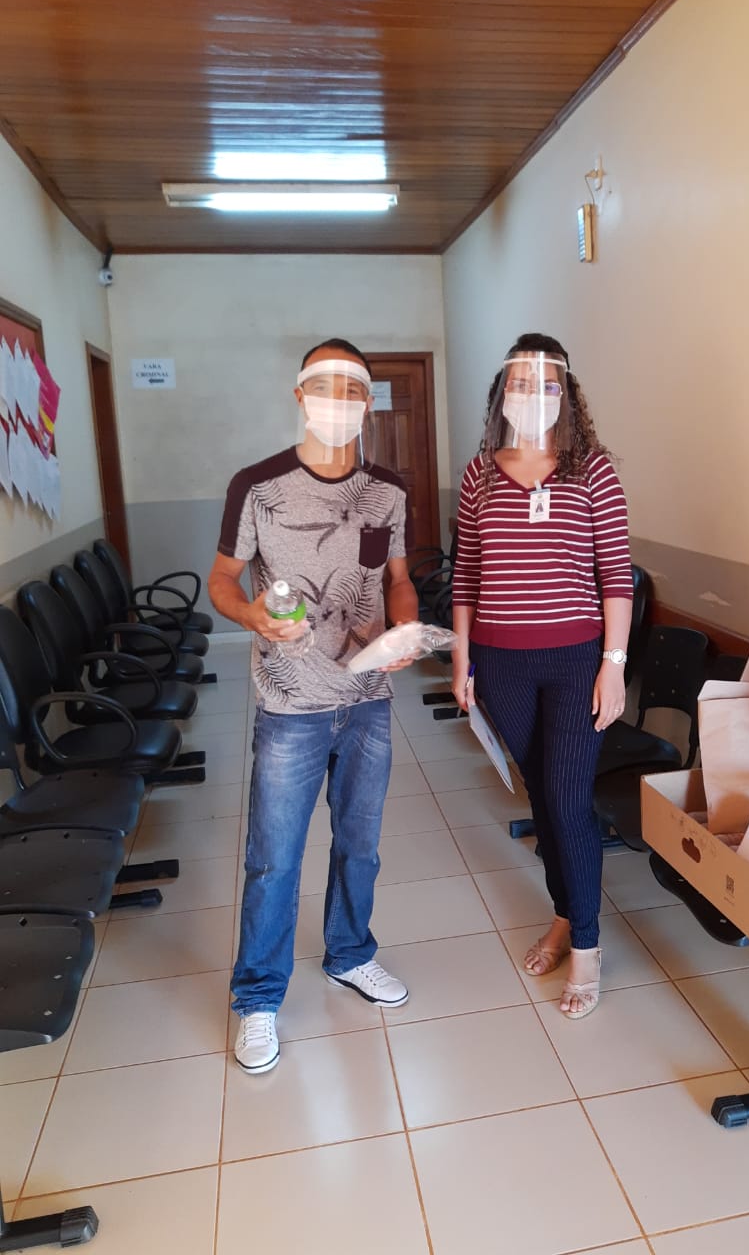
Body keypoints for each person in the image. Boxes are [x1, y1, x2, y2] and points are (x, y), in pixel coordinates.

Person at [209, 337, 418, 1075]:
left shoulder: (388, 491)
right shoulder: (257, 486)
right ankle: (259, 998)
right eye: (325, 386)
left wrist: (403, 625)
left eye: (353, 388)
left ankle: (350, 954)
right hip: (290, 704)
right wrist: (251, 615)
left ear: (368, 401)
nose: (339, 401)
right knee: (274, 858)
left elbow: (397, 578)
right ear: (300, 396)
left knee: (360, 844)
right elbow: (222, 579)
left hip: (368, 699)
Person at [451, 333, 633, 1020]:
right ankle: (564, 915)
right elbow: (466, 575)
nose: (533, 395)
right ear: (503, 393)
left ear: (567, 393)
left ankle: (586, 945)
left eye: (546, 384)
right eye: (520, 384)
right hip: (501, 665)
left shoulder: (593, 471)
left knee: (567, 799)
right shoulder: (479, 474)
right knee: (543, 799)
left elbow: (616, 578)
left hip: (576, 663)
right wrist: (462, 660)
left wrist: (614, 665)